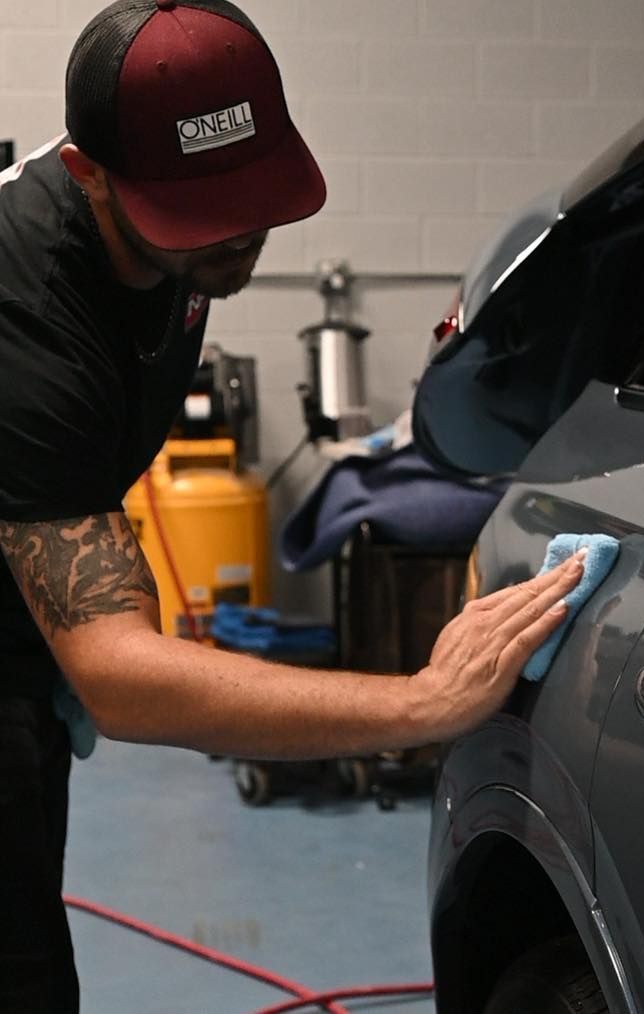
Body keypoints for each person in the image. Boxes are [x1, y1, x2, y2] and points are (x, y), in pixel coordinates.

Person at [0, 1, 584, 1010]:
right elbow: (120, 681)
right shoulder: (26, 314)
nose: (238, 237)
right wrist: (417, 702)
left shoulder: (168, 247)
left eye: (252, 199)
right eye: (199, 213)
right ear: (90, 171)